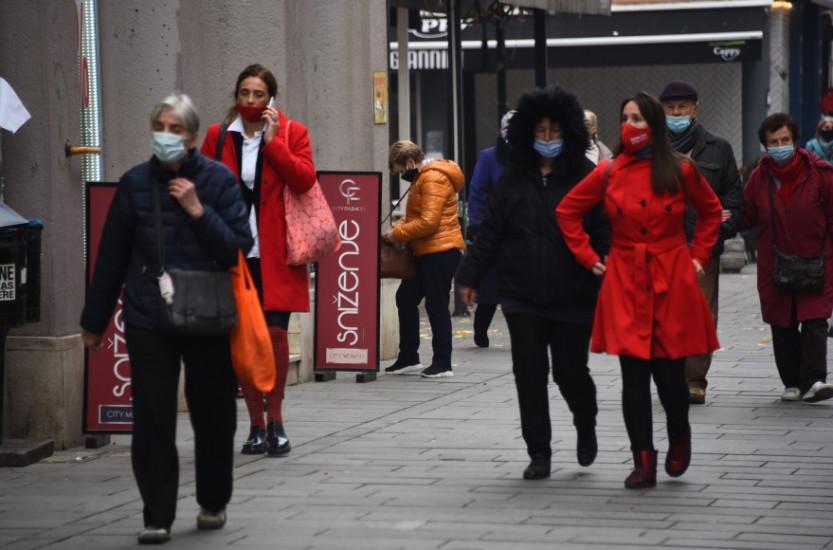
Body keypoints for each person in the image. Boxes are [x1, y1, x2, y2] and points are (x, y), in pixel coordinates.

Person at [80, 93, 252, 543]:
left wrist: (197, 210)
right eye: (160, 126)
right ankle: (156, 515)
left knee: (213, 413)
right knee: (153, 416)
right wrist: (94, 321)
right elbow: (111, 257)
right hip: (148, 315)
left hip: (208, 314)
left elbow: (236, 245)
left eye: (177, 129)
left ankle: (213, 500)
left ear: (194, 137)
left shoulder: (218, 181)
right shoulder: (134, 183)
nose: (167, 135)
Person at [556, 92, 723, 489]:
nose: (630, 125)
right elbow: (567, 211)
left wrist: (698, 255)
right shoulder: (610, 172)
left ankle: (679, 433)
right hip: (626, 278)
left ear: (654, 124)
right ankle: (643, 461)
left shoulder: (682, 170)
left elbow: (713, 212)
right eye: (625, 117)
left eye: (639, 118)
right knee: (633, 378)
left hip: (670, 277)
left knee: (669, 378)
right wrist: (587, 256)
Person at [457, 87, 608, 480]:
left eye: (554, 131)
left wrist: (605, 269)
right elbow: (491, 230)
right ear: (527, 134)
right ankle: (538, 451)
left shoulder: (586, 177)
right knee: (528, 373)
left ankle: (585, 419)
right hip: (521, 292)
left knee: (569, 373)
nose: (547, 139)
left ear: (569, 133)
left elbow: (604, 230)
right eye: (540, 131)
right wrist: (470, 274)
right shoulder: (513, 177)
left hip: (573, 291)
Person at [200, 64, 317, 457]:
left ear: (271, 100)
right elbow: (202, 186)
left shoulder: (292, 132)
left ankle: (277, 420)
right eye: (245, 93)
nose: (250, 101)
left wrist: (274, 142)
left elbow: (304, 179)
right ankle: (255, 424)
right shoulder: (219, 137)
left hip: (277, 253)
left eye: (258, 95)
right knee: (245, 340)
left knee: (276, 335)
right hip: (234, 253)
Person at [659, 80, 744, 404]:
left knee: (700, 315)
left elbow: (734, 198)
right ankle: (668, 375)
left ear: (695, 109)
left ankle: (694, 380)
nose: (677, 113)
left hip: (701, 249)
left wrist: (720, 231)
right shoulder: (651, 148)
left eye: (682, 107)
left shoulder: (717, 148)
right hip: (660, 248)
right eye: (671, 108)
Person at [741, 113, 833, 404]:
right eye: (774, 142)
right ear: (765, 147)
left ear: (795, 141)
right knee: (782, 323)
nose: (780, 146)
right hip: (775, 263)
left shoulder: (821, 174)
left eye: (785, 140)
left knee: (815, 321)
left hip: (817, 260)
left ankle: (815, 380)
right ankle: (792, 382)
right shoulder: (759, 178)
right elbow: (747, 215)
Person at [383, 141, 465, 378]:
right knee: (405, 298)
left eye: (400, 170)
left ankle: (443, 363)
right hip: (427, 251)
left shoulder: (431, 179)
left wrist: (396, 233)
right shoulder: (423, 178)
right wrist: (400, 226)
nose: (402, 175)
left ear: (410, 162)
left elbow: (429, 222)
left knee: (436, 305)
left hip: (441, 251)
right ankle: (409, 357)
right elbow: (419, 216)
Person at [466, 110, 514, 348]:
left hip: (522, 232)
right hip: (494, 230)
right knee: (490, 287)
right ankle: (481, 329)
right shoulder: (489, 157)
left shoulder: (532, 158)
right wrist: (478, 224)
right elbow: (477, 192)